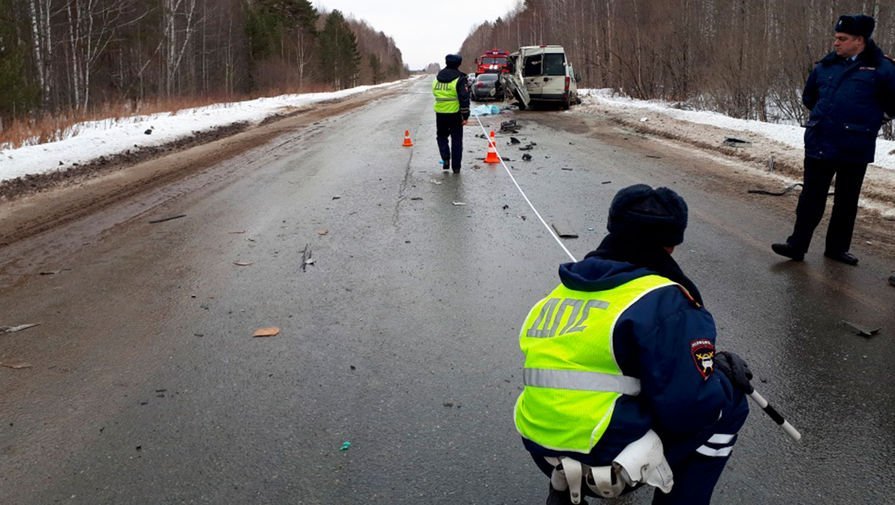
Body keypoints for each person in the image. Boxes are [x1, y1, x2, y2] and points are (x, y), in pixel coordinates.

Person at [514, 184, 751, 505]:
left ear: (613, 228)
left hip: (540, 449)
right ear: (671, 244)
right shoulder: (665, 301)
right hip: (605, 458)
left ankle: (563, 494)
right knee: (730, 403)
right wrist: (720, 376)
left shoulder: (557, 296)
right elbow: (690, 409)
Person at [772, 14, 895, 266]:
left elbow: (892, 104)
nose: (836, 43)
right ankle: (797, 245)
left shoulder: (883, 68)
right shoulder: (825, 66)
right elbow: (809, 98)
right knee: (810, 198)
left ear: (859, 40)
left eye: (842, 39)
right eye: (836, 38)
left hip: (855, 146)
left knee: (846, 201)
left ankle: (837, 249)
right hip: (820, 140)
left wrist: (869, 122)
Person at [432, 53, 470, 173]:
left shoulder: (437, 78)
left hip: (440, 113)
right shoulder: (460, 78)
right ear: (458, 64)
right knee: (456, 140)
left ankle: (445, 158)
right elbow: (464, 98)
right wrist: (465, 115)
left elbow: (434, 92)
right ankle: (456, 167)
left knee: (441, 137)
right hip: (455, 113)